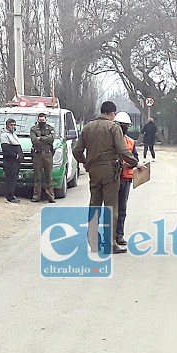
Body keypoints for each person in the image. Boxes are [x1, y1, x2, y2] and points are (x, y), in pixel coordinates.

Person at [73, 101, 138, 254]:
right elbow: (122, 150)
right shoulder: (113, 127)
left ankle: (94, 242)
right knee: (111, 208)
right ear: (112, 114)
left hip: (94, 171)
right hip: (110, 171)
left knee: (94, 205)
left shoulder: (87, 127)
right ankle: (111, 243)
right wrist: (135, 162)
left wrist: (86, 162)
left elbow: (77, 150)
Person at [113, 112, 146, 246]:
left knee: (122, 208)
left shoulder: (130, 142)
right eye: (122, 125)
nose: (124, 128)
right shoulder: (110, 140)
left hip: (125, 178)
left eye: (126, 126)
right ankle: (111, 235)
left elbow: (135, 158)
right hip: (113, 178)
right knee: (112, 208)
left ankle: (119, 235)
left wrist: (130, 163)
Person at [30, 113, 56, 203]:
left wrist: (40, 138)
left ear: (46, 120)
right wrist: (45, 139)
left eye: (43, 120)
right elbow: (34, 141)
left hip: (48, 155)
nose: (42, 122)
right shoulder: (33, 129)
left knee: (49, 176)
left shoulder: (50, 128)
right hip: (37, 155)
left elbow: (51, 139)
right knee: (37, 177)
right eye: (40, 120)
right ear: (38, 120)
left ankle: (50, 196)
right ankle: (36, 196)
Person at [0, 118, 23, 203]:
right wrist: (15, 156)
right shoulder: (4, 135)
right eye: (11, 125)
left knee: (14, 179)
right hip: (10, 161)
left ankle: (12, 194)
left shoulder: (13, 134)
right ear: (7, 125)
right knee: (10, 179)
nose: (13, 126)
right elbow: (5, 149)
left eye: (14, 125)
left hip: (15, 162)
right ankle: (9, 196)